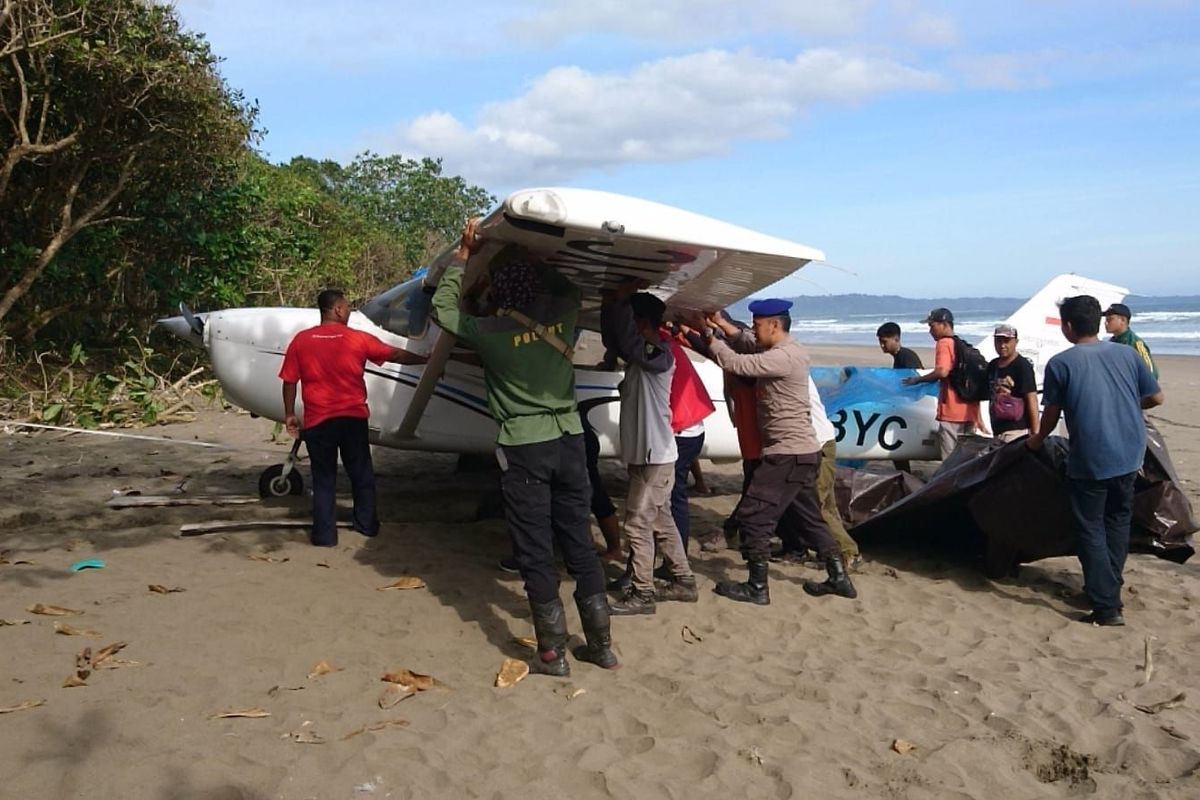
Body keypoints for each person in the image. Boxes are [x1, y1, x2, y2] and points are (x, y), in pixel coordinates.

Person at [431, 221, 617, 675]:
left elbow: (443, 311)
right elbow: (568, 289)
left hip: (524, 446)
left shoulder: (488, 332)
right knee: (577, 539)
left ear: (500, 292)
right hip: (570, 440)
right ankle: (601, 646)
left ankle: (552, 652)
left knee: (534, 547)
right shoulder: (563, 316)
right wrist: (532, 258)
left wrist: (462, 257)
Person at [699, 299, 857, 605]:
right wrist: (720, 322)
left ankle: (757, 587)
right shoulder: (780, 349)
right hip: (803, 452)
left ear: (774, 324)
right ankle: (839, 578)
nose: (754, 331)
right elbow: (745, 342)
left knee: (754, 517)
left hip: (787, 454)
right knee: (811, 520)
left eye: (758, 325)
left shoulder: (783, 357)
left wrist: (709, 337)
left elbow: (737, 363)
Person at [1026, 295, 1163, 627]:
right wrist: (1126, 406)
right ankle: (1109, 586)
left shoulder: (1062, 363)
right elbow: (1156, 397)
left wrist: (1037, 440)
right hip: (1130, 454)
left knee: (1090, 527)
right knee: (1117, 521)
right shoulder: (1127, 355)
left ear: (1069, 326)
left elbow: (1052, 414)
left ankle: (1105, 605)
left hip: (1091, 457)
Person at [280, 290, 427, 547]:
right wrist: (427, 360)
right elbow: (395, 355)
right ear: (337, 309)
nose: (348, 311)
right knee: (361, 474)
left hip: (318, 422)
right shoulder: (357, 339)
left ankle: (325, 536)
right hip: (352, 418)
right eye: (346, 307)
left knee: (324, 479)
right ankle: (366, 525)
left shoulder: (301, 341)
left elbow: (290, 381)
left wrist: (290, 413)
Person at [600, 290, 698, 614]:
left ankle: (643, 594)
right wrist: (610, 304)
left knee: (638, 524)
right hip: (649, 454)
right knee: (661, 520)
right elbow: (615, 341)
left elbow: (627, 343)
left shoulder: (660, 355)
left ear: (641, 323)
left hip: (655, 456)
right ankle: (683, 581)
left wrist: (621, 300)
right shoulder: (645, 354)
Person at [776, 377, 862, 569]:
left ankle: (847, 552)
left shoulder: (789, 374)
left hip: (818, 445)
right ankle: (838, 551)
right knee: (826, 505)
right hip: (823, 442)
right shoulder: (796, 371)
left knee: (817, 506)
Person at [902, 307, 984, 459]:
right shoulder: (961, 344)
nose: (930, 331)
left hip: (952, 411)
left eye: (932, 326)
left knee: (949, 460)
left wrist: (918, 379)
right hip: (969, 410)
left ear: (944, 324)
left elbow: (942, 371)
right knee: (966, 459)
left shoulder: (944, 343)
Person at [986, 324, 1039, 442]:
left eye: (1007, 341)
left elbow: (1031, 399)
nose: (1002, 345)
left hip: (1017, 430)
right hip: (997, 429)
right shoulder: (993, 365)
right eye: (998, 341)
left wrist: (1035, 433)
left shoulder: (1022, 366)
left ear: (1016, 342)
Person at [1104, 303, 1159, 380]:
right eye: (1106, 320)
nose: (1105, 323)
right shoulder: (1111, 342)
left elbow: (1151, 373)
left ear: (1123, 320)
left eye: (1110, 319)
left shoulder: (1135, 343)